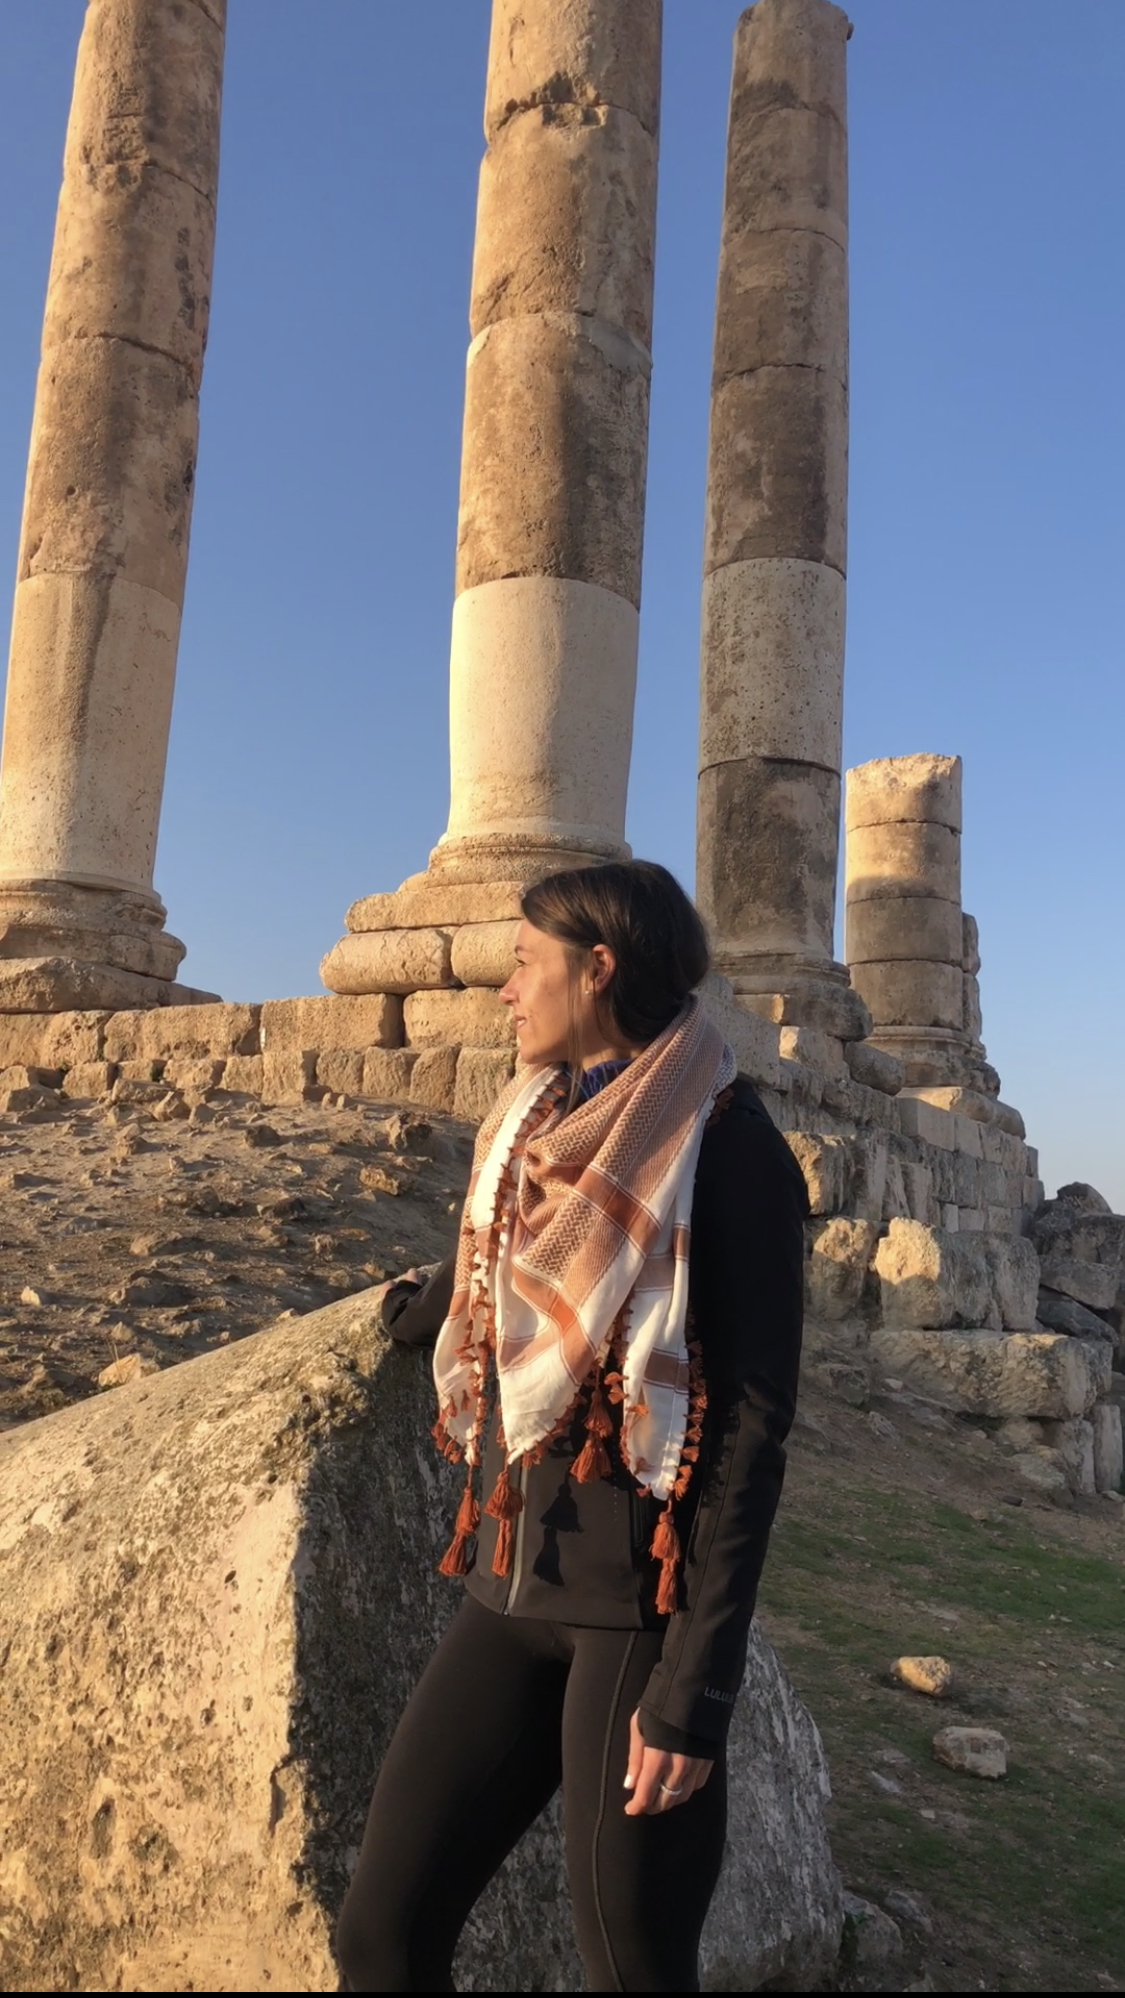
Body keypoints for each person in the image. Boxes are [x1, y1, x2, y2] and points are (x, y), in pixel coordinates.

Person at [336, 860, 808, 1994]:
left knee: (634, 1967)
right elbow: (511, 1266)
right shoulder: (533, 1123)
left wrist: (696, 1692)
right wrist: (430, 1309)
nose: (504, 991)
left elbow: (750, 1435)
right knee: (381, 1939)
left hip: (641, 1616)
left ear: (598, 971)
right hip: (510, 1586)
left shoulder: (733, 1149)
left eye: (524, 964)